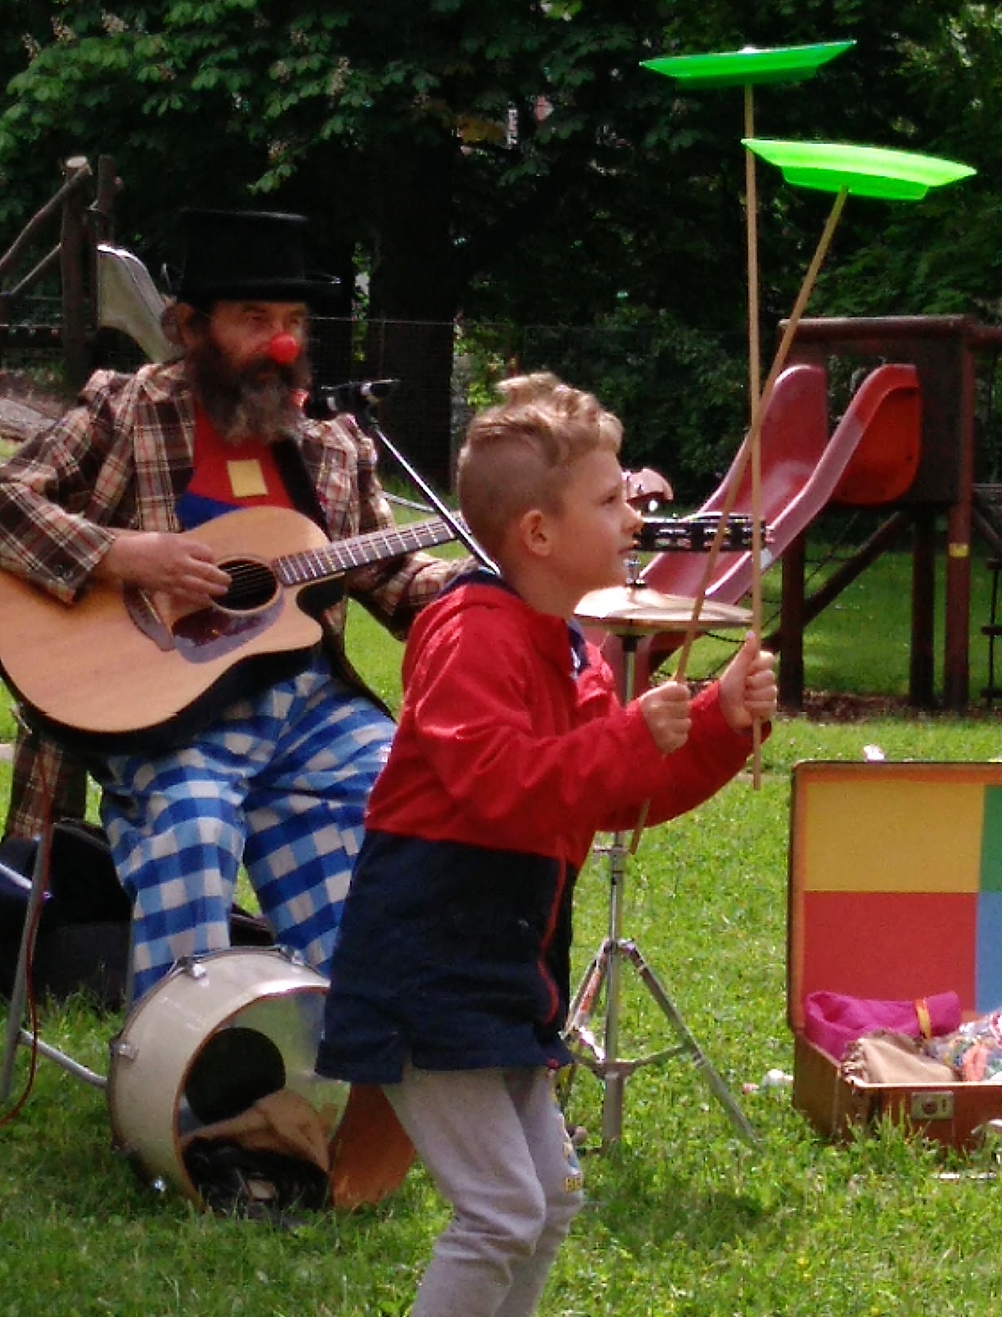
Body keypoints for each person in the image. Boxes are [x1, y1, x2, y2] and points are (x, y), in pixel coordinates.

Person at [315, 373, 777, 1317]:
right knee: (500, 1212)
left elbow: (617, 792)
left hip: (505, 973)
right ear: (537, 533)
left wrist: (717, 722)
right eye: (610, 502)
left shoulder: (569, 648)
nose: (634, 519)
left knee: (548, 1201)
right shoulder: (469, 633)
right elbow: (495, 784)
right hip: (428, 970)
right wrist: (631, 736)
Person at [0, 208, 465, 1003]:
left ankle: (362, 1041)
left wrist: (485, 586)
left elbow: (390, 574)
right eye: (255, 319)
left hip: (308, 709)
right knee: (195, 823)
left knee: (408, 801)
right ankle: (186, 1061)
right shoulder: (127, 410)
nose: (280, 345)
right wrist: (118, 554)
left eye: (293, 322)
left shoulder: (332, 443)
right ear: (190, 327)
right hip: (165, 715)